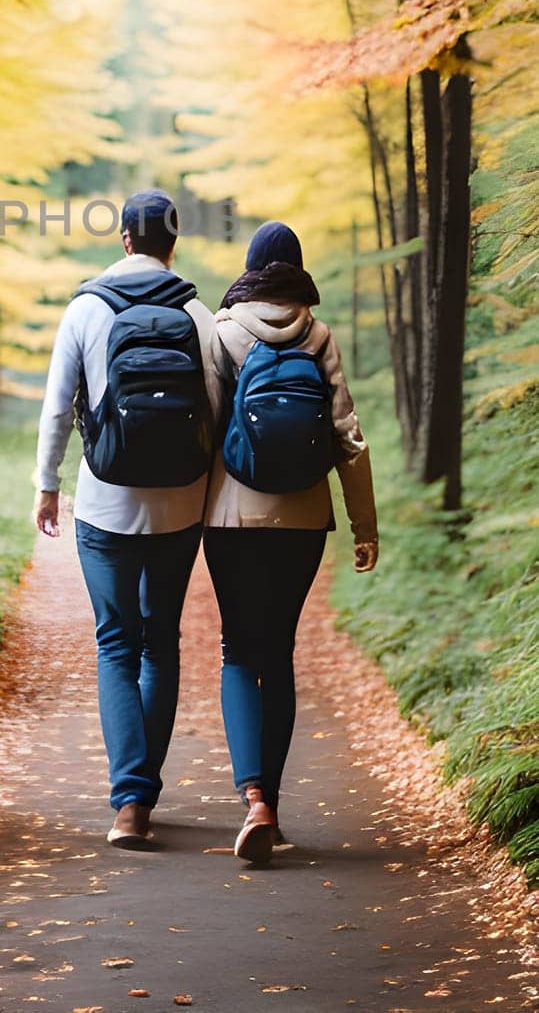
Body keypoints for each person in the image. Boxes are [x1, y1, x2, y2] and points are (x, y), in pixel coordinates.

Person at [34, 189, 225, 847]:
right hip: (178, 503)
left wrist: (45, 485)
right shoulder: (197, 314)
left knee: (115, 644)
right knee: (159, 642)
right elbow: (217, 412)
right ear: (172, 246)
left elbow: (58, 407)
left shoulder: (85, 308)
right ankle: (139, 797)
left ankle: (128, 804)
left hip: (104, 503)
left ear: (123, 240)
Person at [203, 220, 378, 866]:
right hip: (304, 516)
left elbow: (207, 429)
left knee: (234, 649)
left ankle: (252, 798)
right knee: (276, 650)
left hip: (231, 516)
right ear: (296, 270)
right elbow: (347, 437)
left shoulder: (223, 332)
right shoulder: (317, 333)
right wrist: (365, 527)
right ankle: (269, 808)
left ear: (250, 269)